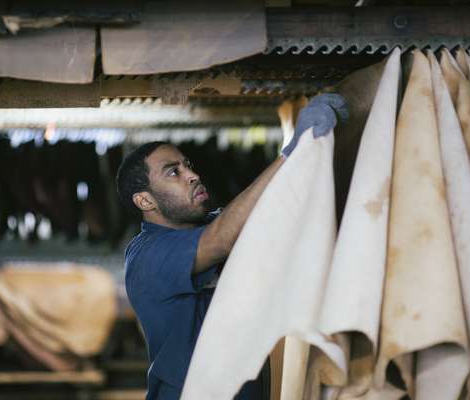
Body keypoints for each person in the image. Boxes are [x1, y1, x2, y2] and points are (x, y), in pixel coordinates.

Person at [115, 94, 348, 400]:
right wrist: (291, 154)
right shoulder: (147, 255)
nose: (193, 175)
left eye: (187, 165)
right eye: (174, 172)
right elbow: (222, 238)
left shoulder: (208, 223)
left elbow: (262, 214)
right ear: (145, 201)